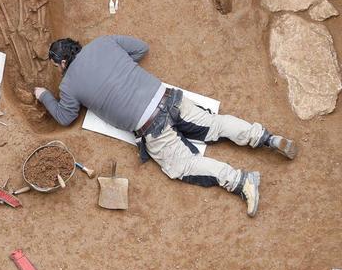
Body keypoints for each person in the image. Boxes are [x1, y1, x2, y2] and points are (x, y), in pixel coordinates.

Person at [34, 36, 297, 217]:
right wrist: (123, 70)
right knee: (213, 124)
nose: (59, 71)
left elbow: (65, 117)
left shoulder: (68, 85)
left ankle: (241, 181)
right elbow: (140, 48)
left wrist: (44, 95)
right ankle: (264, 137)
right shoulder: (103, 42)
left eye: (57, 67)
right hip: (169, 98)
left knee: (182, 165)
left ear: (63, 64)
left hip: (151, 127)